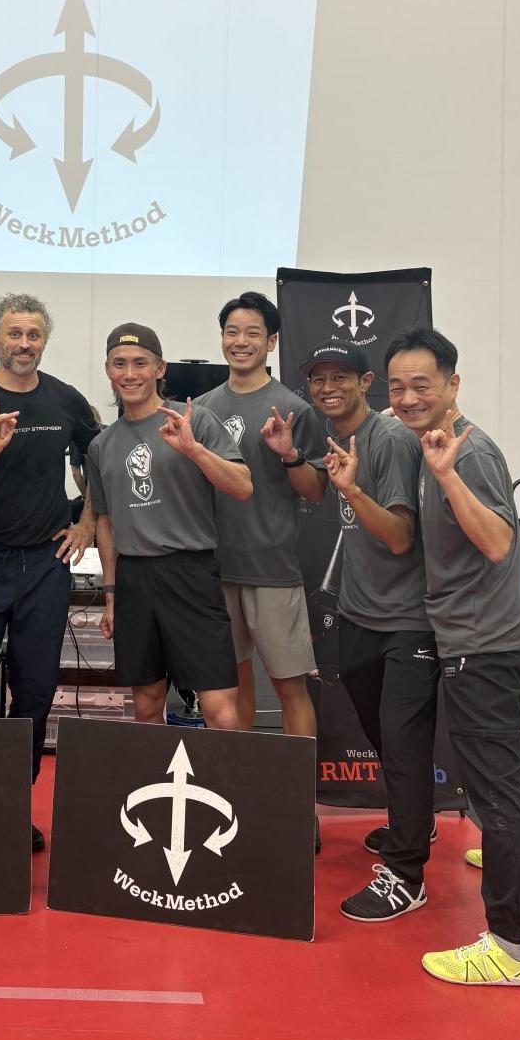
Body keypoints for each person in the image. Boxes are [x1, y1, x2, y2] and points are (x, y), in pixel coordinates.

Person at [386, 327, 520, 987]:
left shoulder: (468, 452)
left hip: (482, 643)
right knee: (507, 755)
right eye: (397, 386)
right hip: (488, 635)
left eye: (420, 384)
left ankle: (509, 948)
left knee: (493, 787)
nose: (407, 397)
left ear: (452, 384)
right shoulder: (433, 444)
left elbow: (496, 542)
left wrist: (447, 475)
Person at [0, 294, 99, 850]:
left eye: (33, 334)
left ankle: (10, 806)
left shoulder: (66, 400)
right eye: (14, 333)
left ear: (44, 340)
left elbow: (102, 462)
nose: (23, 344)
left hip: (43, 566)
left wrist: (87, 523)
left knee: (34, 692)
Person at [301, 341, 438, 922]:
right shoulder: (338, 437)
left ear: (364, 382)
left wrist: (352, 490)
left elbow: (401, 537)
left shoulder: (390, 440)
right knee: (384, 735)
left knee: (403, 745)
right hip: (359, 615)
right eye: (318, 379)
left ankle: (406, 876)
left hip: (407, 621)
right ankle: (415, 822)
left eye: (340, 377)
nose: (328, 387)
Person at [89, 324, 252, 731]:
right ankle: (154, 776)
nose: (130, 374)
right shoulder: (101, 445)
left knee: (219, 706)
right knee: (146, 706)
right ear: (108, 370)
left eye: (140, 363)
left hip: (190, 571)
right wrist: (111, 593)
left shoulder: (195, 420)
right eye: (119, 364)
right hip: (133, 580)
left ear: (160, 369)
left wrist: (194, 450)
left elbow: (242, 486)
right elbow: (106, 523)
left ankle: (225, 775)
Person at [197, 293, 326, 740]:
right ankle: (239, 776)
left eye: (252, 333)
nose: (240, 342)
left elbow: (315, 490)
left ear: (271, 342)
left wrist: (289, 454)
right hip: (214, 568)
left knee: (290, 688)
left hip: (272, 568)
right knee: (231, 683)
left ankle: (295, 782)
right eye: (231, 332)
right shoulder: (202, 408)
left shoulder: (293, 408)